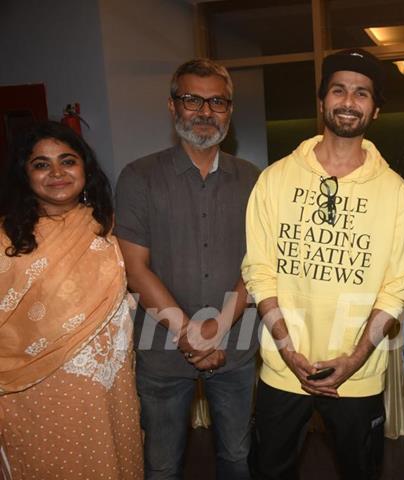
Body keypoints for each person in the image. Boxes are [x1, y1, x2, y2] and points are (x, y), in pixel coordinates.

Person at [241, 48, 404, 480]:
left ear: (375, 110)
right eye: (339, 90)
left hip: (358, 377)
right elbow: (259, 271)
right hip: (283, 371)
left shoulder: (396, 192)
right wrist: (288, 350)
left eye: (361, 93)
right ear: (322, 101)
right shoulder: (274, 179)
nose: (348, 101)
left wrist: (357, 358)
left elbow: (398, 286)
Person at [114, 58, 259, 479]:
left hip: (235, 344)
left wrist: (216, 330)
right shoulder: (139, 177)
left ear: (230, 110)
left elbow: (259, 265)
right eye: (192, 99)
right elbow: (134, 268)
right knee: (162, 465)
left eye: (217, 102)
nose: (204, 111)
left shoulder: (253, 180)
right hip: (160, 348)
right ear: (173, 106)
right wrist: (190, 333)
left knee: (237, 458)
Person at [0, 121, 143, 479]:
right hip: (33, 391)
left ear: (85, 169)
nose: (57, 173)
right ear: (25, 175)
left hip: (108, 390)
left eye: (67, 160)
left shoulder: (110, 228)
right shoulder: (6, 239)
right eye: (41, 164)